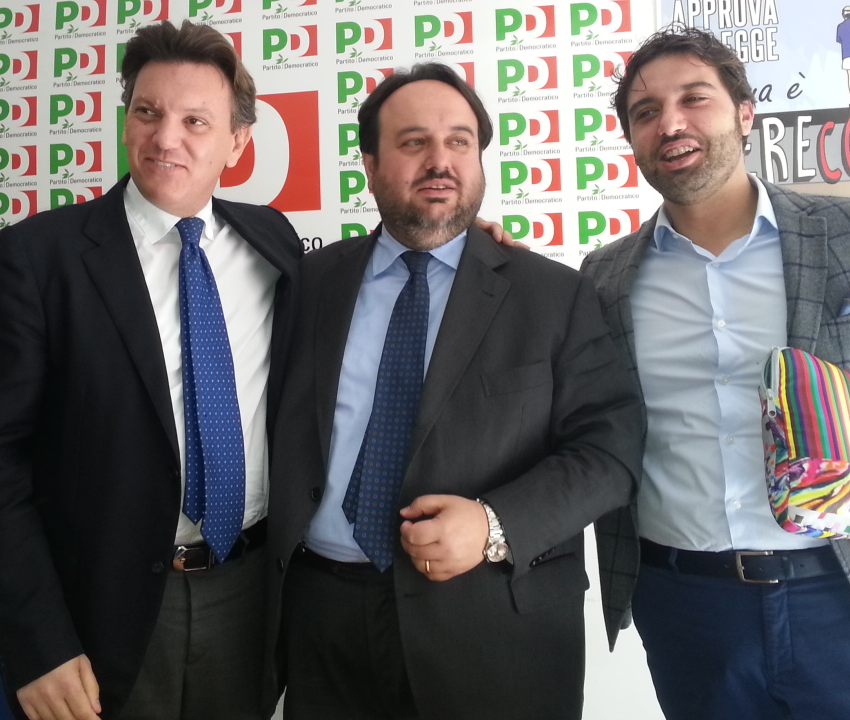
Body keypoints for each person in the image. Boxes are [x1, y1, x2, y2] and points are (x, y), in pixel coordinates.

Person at [582, 26, 850, 720]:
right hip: (689, 610)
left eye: (694, 98)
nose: (670, 123)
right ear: (632, 140)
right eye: (646, 112)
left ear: (745, 113)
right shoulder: (603, 278)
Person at [264, 62, 644, 720]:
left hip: (494, 630)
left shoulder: (552, 295)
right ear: (370, 165)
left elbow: (611, 451)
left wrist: (496, 524)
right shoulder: (308, 282)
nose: (440, 161)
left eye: (459, 141)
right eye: (413, 142)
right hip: (322, 626)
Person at [0, 20, 302, 720]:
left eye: (195, 120)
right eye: (147, 111)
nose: (165, 137)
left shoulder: (275, 242)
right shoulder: (39, 257)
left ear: (237, 143)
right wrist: (36, 644)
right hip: (101, 612)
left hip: (250, 598)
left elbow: (364, 286)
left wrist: (466, 245)